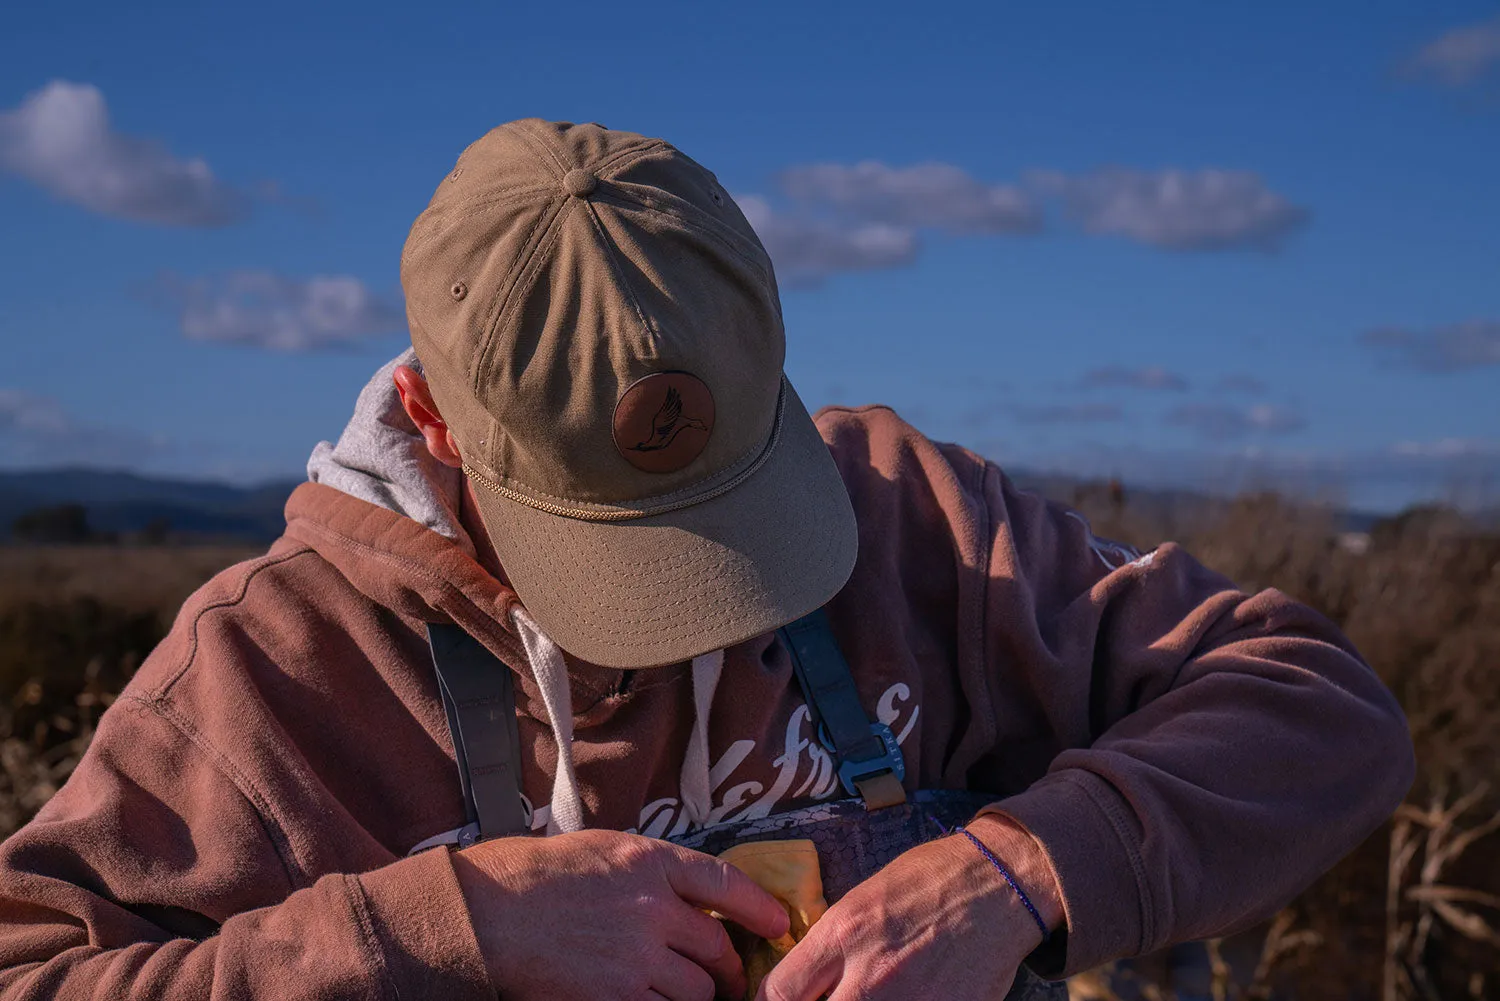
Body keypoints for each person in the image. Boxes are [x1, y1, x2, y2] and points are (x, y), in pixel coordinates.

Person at [0, 119, 1414, 1000]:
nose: (685, 617)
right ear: (429, 414)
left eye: (729, 511)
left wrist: (1023, 872)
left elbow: (1320, 708)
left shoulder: (917, 514)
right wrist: (443, 939)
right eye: (609, 544)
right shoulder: (271, 670)